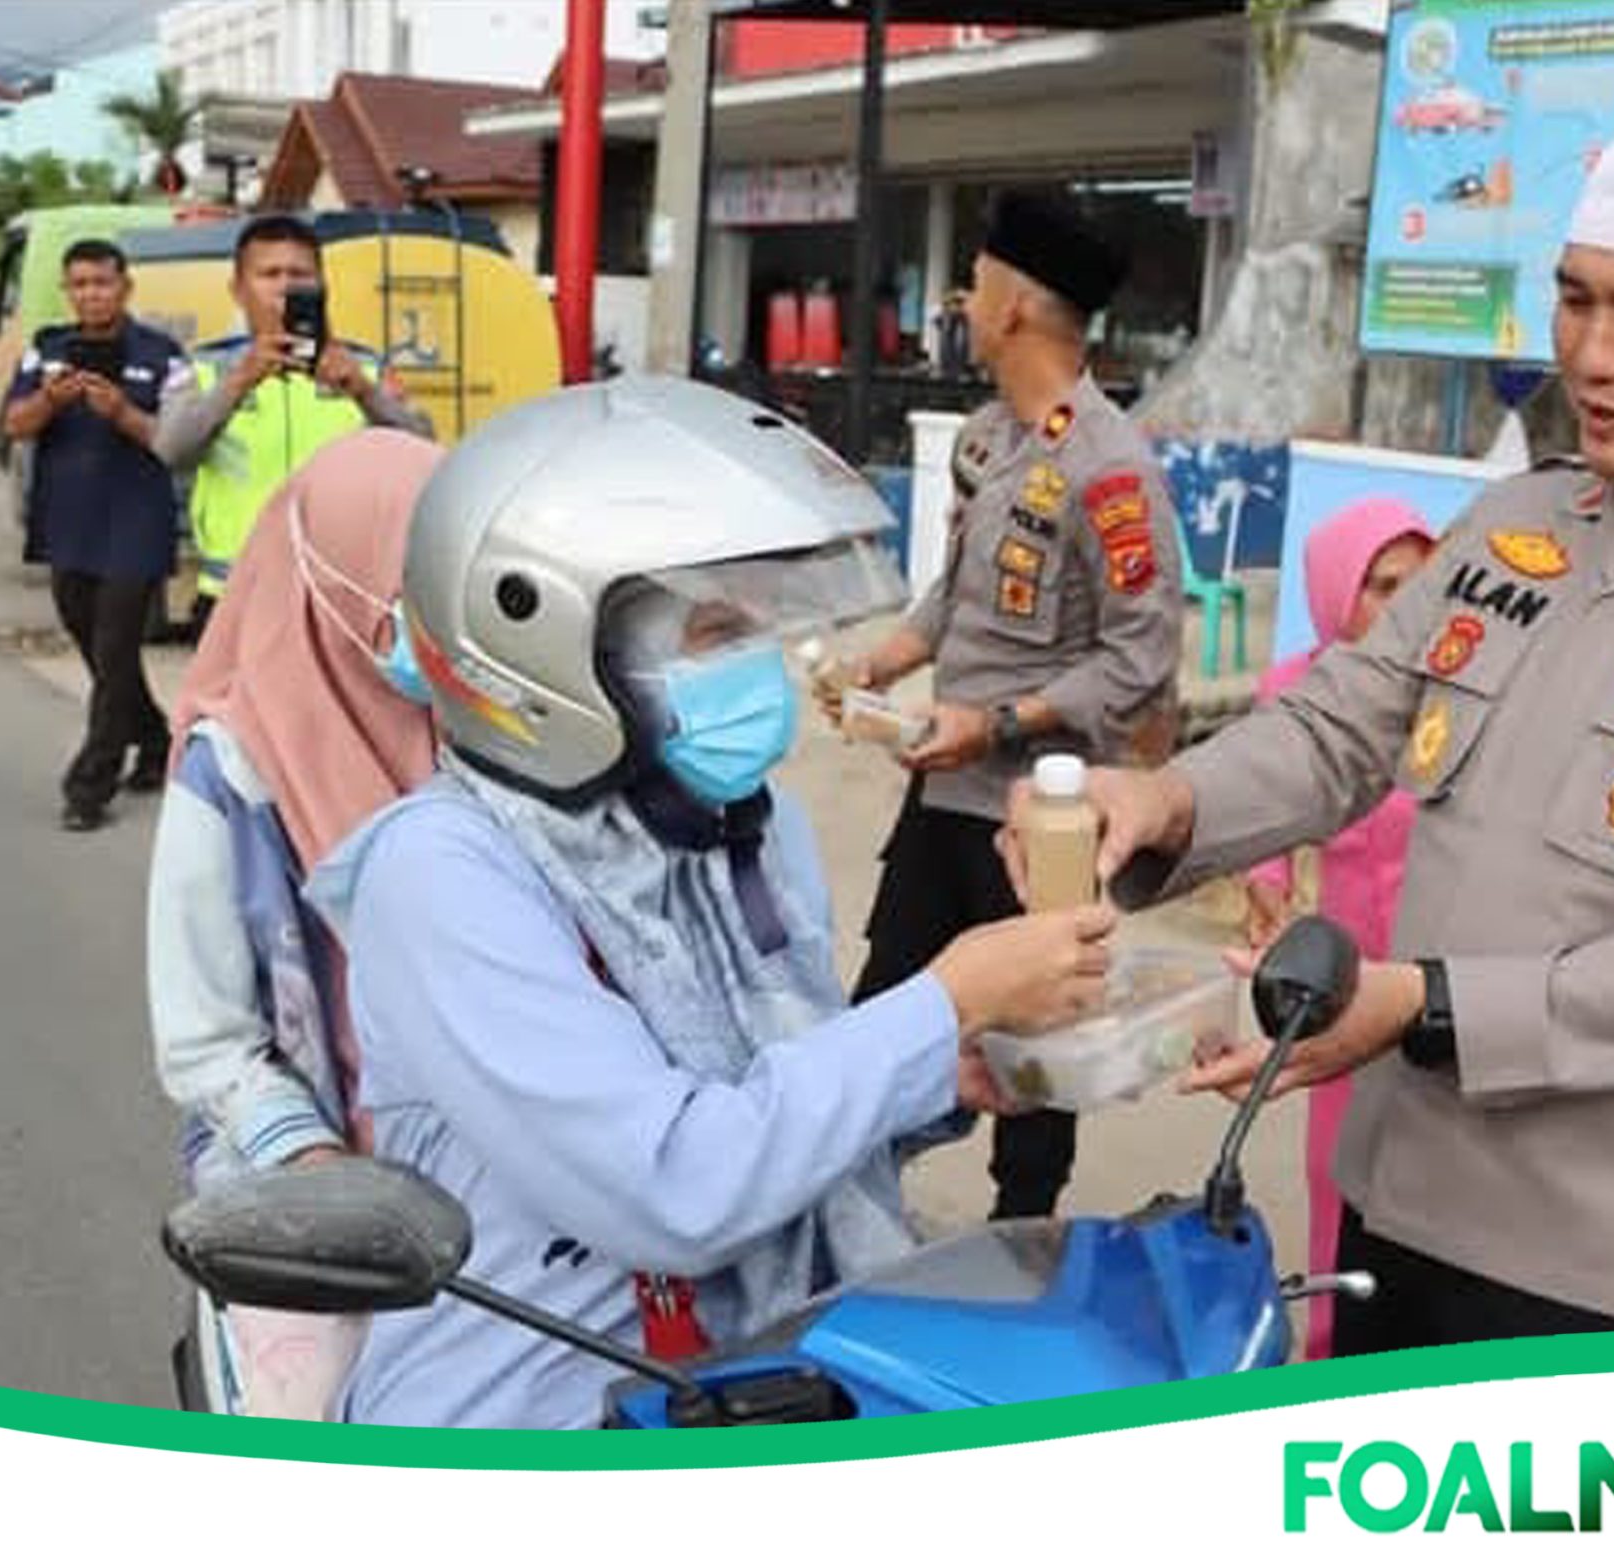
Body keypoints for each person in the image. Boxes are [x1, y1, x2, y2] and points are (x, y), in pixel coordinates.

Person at [1004, 107, 1614, 1353]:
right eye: (1575, 300)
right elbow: (1340, 727)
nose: (1593, 356)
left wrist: (1424, 1008)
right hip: (1392, 1205)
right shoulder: (1521, 523)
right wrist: (1167, 804)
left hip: (1598, 1275)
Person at [304, 378, 1115, 1429]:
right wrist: (937, 1007)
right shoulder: (443, 875)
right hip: (533, 1415)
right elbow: (675, 1186)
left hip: (765, 1380)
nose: (761, 670)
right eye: (716, 631)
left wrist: (933, 1076)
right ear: (547, 643)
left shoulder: (737, 826)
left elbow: (781, 1101)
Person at [819, 190, 1185, 1222]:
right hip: (942, 803)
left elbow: (1140, 659)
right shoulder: (990, 439)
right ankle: (846, 1214)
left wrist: (998, 724)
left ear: (1015, 306)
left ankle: (1023, 1244)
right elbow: (963, 588)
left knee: (1037, 1051)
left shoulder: (1110, 471)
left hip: (1040, 823)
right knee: (888, 1008)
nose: (962, 299)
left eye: (975, 282)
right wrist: (886, 662)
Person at [145, 428, 444, 1419]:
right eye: (403, 577)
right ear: (332, 577)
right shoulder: (224, 777)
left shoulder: (479, 722)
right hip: (315, 1209)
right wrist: (320, 1168)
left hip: (484, 1193)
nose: (429, 613)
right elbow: (205, 1040)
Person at [1238, 496, 1433, 1361]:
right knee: (1337, 1169)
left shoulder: (1458, 699)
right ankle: (1329, 1344)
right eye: (1381, 586)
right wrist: (1268, 888)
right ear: (1332, 595)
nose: (1404, 606)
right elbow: (1270, 810)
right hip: (1344, 972)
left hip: (1443, 966)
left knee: (1436, 1172)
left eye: (1419, 585)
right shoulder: (1295, 690)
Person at [153, 214, 432, 642]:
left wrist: (362, 390)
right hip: (237, 589)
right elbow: (170, 450)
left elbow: (424, 451)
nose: (285, 286)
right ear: (238, 290)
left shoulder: (365, 367)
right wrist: (239, 380)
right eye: (269, 274)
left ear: (322, 285)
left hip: (345, 590)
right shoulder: (205, 368)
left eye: (299, 274)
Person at [1, 239, 189, 830]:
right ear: (68, 290)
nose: (91, 294)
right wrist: (50, 401)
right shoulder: (48, 349)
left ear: (125, 286)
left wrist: (123, 415)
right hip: (69, 522)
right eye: (79, 284)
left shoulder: (162, 354)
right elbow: (14, 424)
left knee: (113, 651)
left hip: (135, 523)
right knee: (97, 647)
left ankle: (89, 786)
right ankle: (156, 740)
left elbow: (178, 440)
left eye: (101, 283)